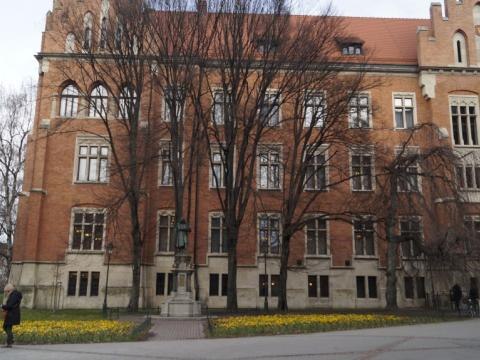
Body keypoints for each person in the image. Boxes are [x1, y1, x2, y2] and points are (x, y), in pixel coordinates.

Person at [2, 284, 22, 348]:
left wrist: (2, 306)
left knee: (7, 327)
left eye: (7, 291)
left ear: (10, 290)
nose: (6, 293)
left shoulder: (14, 295)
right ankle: (11, 339)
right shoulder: (14, 294)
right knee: (6, 326)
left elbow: (10, 305)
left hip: (12, 314)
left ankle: (9, 343)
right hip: (12, 313)